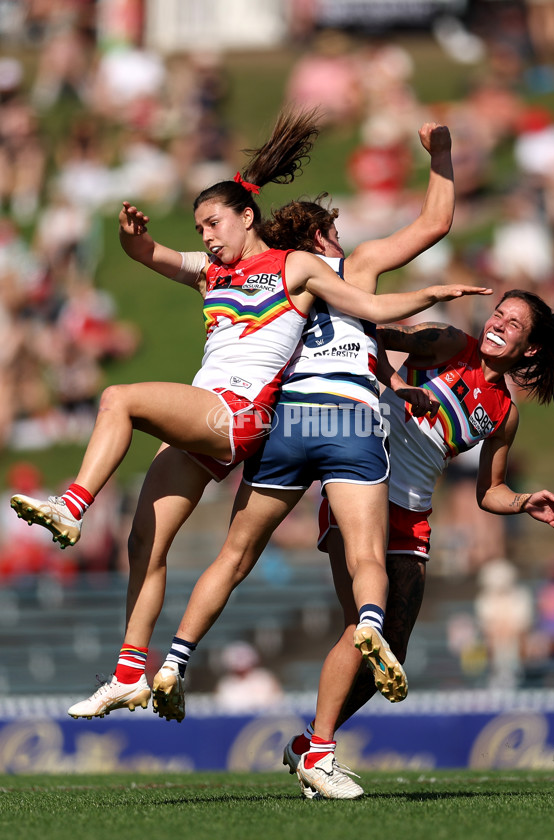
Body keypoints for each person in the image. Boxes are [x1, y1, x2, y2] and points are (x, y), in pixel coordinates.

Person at [12, 115, 487, 719]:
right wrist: (133, 236)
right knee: (145, 541)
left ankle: (72, 507)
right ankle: (135, 671)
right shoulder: (217, 271)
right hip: (246, 416)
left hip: (249, 417)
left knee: (121, 400)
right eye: (200, 228)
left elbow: (371, 304)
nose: (206, 236)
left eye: (213, 224)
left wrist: (427, 298)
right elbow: (148, 254)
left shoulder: (301, 268)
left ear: (248, 217)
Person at [143, 128, 486, 737]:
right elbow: (434, 224)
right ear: (325, 235)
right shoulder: (357, 267)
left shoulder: (264, 275)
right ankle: (373, 625)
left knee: (235, 553)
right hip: (348, 420)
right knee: (366, 556)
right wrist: (439, 156)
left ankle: (175, 658)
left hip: (286, 421)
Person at [282, 288, 554, 798]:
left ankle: (307, 744)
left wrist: (524, 502)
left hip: (414, 516)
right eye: (499, 313)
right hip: (362, 483)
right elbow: (368, 336)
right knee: (363, 623)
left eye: (513, 323)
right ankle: (319, 751)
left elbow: (488, 492)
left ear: (530, 348)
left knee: (392, 646)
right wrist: (400, 386)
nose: (498, 324)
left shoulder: (504, 414)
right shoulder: (451, 343)